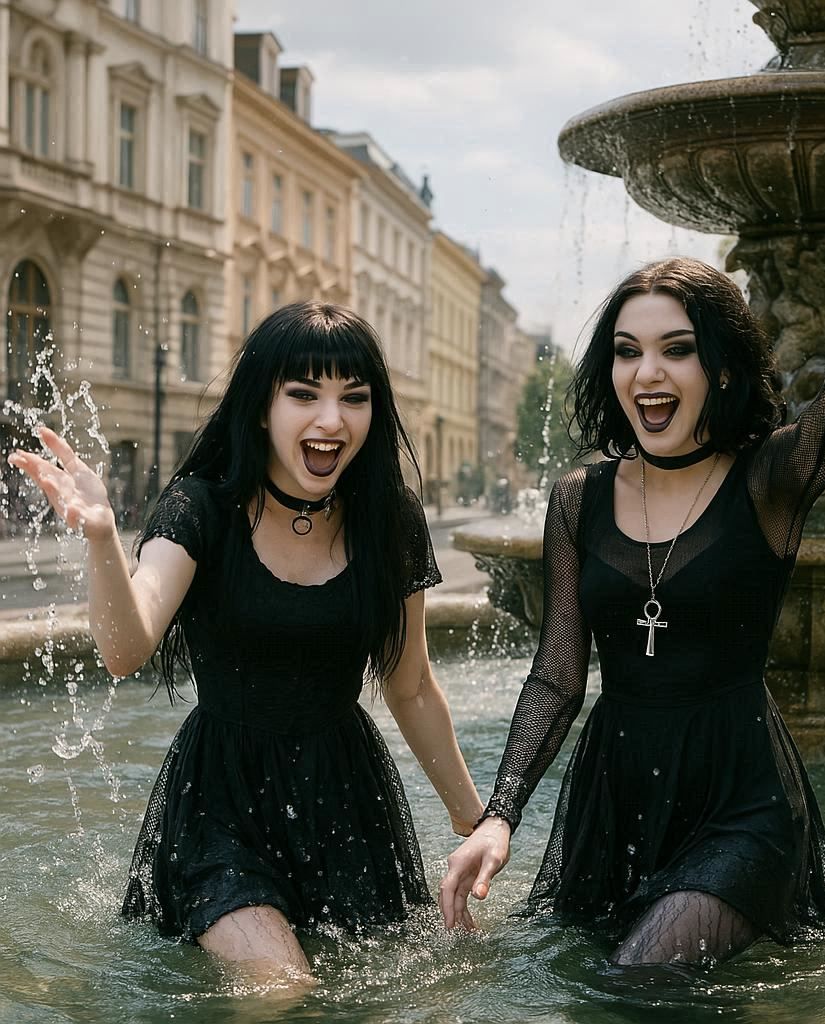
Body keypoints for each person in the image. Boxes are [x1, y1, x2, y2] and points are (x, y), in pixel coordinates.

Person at [440, 106, 825, 966]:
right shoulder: (579, 498)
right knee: (580, 985)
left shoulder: (768, 480)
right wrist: (499, 813)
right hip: (613, 801)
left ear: (720, 367)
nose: (646, 373)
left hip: (742, 799)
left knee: (641, 974)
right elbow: (556, 674)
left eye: (675, 350)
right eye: (626, 351)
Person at [9, 303, 483, 985]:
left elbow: (409, 686)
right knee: (282, 986)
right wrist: (103, 539)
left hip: (347, 798)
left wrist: (477, 824)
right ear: (261, 406)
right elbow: (126, 646)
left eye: (354, 398)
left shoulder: (389, 518)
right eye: (303, 395)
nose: (332, 420)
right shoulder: (202, 506)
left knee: (370, 994)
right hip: (219, 803)